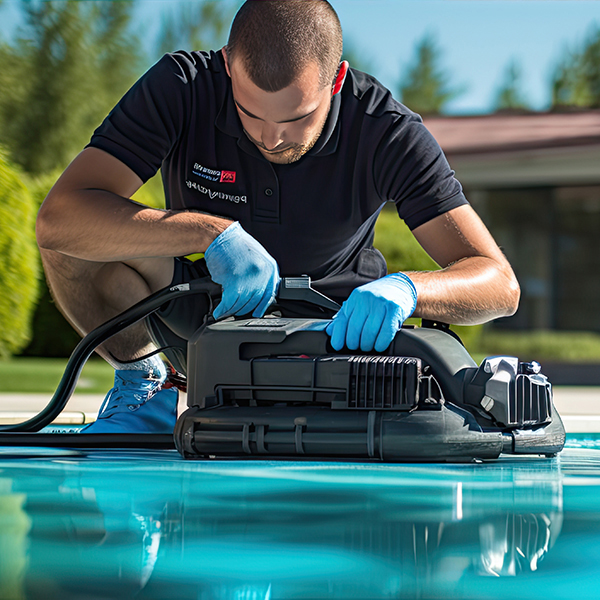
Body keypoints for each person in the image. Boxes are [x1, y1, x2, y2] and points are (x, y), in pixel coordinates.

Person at [35, 0, 520, 434]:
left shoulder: (386, 131)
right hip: (207, 323)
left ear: (337, 79)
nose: (271, 138)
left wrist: (408, 289)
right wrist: (212, 232)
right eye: (250, 113)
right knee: (72, 247)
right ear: (228, 66)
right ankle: (146, 383)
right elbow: (61, 220)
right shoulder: (181, 88)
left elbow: (499, 284)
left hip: (338, 339)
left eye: (295, 119)